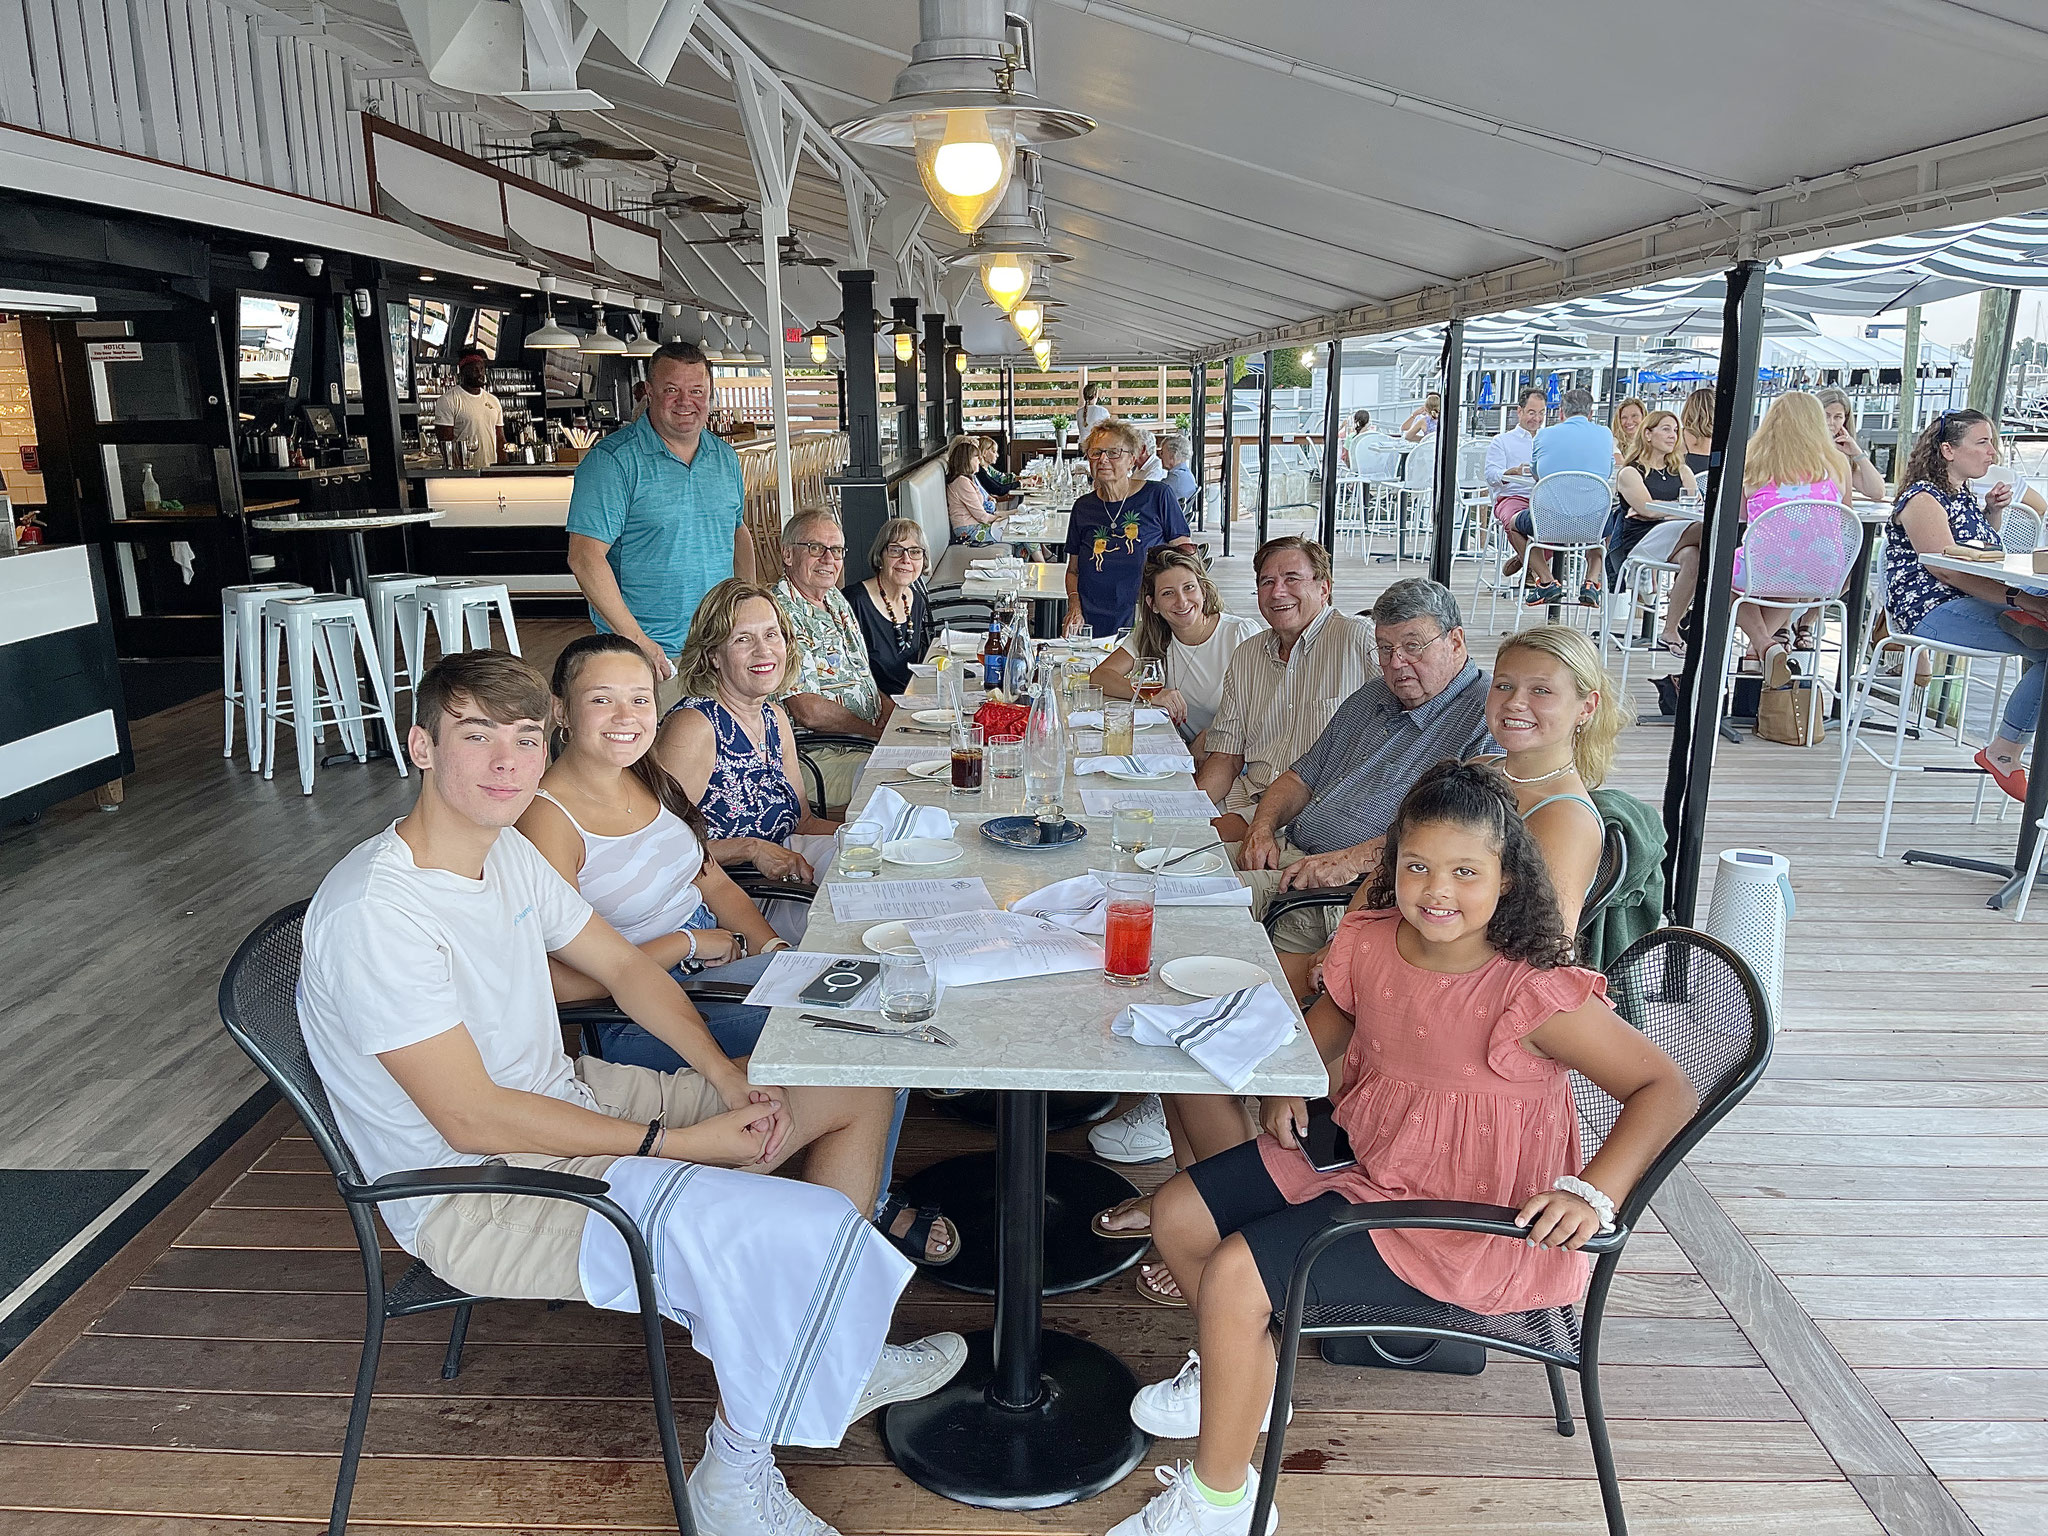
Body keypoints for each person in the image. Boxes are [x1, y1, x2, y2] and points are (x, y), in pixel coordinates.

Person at [296, 649, 966, 1536]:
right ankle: (736, 1472)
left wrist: (731, 1080)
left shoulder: (503, 854)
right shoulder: (377, 913)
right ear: (421, 746)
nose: (505, 761)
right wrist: (688, 1142)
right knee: (786, 1224)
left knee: (854, 1082)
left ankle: (820, 1335)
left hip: (576, 1104)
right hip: (478, 1188)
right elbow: (469, 1114)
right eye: (475, 736)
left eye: (524, 739)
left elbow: (621, 967)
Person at [1109, 761, 1696, 1536]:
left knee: (1233, 1274)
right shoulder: (1376, 939)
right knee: (1179, 1214)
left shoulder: (1528, 990)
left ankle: (1222, 1499)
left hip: (1464, 1215)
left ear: (1508, 882)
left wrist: (1592, 1189)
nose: (1436, 890)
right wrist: (1296, 1076)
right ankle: (1247, 1372)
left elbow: (1666, 1089)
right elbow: (1340, 1020)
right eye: (1416, 866)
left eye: (1464, 871)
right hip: (1368, 1151)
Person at [522, 633, 785, 1064]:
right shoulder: (547, 820)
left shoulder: (646, 773)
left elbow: (713, 883)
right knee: (865, 1024)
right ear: (560, 710)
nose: (626, 717)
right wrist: (685, 943)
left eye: (641, 700)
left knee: (859, 991)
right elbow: (558, 982)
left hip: (715, 967)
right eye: (602, 700)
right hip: (635, 1013)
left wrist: (775, 952)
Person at [1236, 578, 1494, 952]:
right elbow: (1300, 776)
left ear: (1455, 642)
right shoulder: (1376, 694)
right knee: (1171, 876)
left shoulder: (1484, 717)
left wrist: (1351, 860)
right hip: (1288, 852)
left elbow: (1455, 835)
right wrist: (1261, 827)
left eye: (1412, 646)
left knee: (1203, 919)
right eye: (1385, 649)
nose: (1396, 663)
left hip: (1350, 892)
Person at [568, 343, 756, 712]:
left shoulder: (725, 457)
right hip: (648, 657)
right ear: (649, 392)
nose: (686, 401)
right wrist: (637, 639)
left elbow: (738, 533)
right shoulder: (613, 462)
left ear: (710, 395)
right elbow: (585, 557)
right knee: (656, 764)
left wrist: (745, 607)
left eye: (697, 391)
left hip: (718, 646)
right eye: (672, 389)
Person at [1886, 408, 2048, 801]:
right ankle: (2004, 751)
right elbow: (1949, 571)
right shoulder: (1923, 499)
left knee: (2043, 628)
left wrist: (1991, 513)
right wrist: (2019, 596)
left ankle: (2030, 622)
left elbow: (1976, 552)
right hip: (1930, 611)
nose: (1993, 452)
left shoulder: (1960, 496)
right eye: (1983, 442)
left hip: (1971, 599)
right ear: (1948, 450)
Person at [658, 578, 841, 885]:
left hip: (787, 877)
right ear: (713, 655)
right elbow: (660, 849)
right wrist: (749, 849)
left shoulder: (774, 718)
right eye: (743, 639)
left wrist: (871, 836)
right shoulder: (695, 726)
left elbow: (803, 822)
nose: (763, 651)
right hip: (728, 897)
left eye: (772, 635)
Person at [1194, 537, 1375, 840]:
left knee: (1185, 862)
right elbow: (1226, 757)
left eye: (1292, 578)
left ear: (1324, 588)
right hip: (1245, 799)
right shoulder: (1248, 655)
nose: (1278, 592)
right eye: (1267, 582)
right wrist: (1189, 810)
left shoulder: (1359, 641)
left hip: (1315, 816)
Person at [1089, 547, 1263, 752]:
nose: (1182, 601)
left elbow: (1265, 710)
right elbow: (1100, 676)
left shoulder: (1239, 633)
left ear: (1203, 591)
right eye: (1168, 593)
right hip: (1181, 750)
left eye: (1189, 588)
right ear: (1152, 604)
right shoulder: (1151, 634)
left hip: (1237, 754)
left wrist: (1213, 737)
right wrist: (1152, 695)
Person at [1731, 391, 1852, 687]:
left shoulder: (1754, 463)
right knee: (1791, 576)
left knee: (1716, 574)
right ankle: (1758, 650)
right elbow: (1845, 516)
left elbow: (1740, 515)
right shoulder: (1837, 464)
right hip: (1822, 573)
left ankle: (1761, 643)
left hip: (1766, 565)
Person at [1063, 418, 1198, 637]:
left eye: (1114, 452)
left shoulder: (1157, 495)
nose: (1103, 459)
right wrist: (1075, 607)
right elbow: (1073, 570)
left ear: (1132, 460)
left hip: (1146, 616)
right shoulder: (1083, 507)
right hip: (1091, 618)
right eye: (1095, 453)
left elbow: (1183, 552)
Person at [773, 509, 890, 753]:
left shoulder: (834, 597)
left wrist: (893, 715)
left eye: (836, 550)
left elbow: (858, 676)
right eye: (815, 548)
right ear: (787, 554)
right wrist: (876, 735)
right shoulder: (779, 613)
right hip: (824, 752)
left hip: (865, 738)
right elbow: (807, 710)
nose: (828, 559)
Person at [1604, 408, 1701, 655]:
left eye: (1676, 430)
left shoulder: (1682, 471)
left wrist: (1663, 510)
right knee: (1705, 529)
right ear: (1648, 434)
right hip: (1642, 539)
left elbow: (1696, 507)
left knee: (1694, 557)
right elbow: (1647, 511)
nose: (1673, 436)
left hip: (1675, 534)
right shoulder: (1630, 472)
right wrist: (1673, 509)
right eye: (1666, 429)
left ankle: (1670, 629)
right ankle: (1713, 599)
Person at [1524, 387, 1614, 607]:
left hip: (1549, 522)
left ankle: (1546, 581)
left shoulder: (1544, 434)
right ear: (1590, 414)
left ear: (1562, 413)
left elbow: (1537, 473)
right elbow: (1608, 472)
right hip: (1592, 524)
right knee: (1611, 523)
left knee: (1515, 526)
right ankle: (1592, 580)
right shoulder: (1605, 434)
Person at [845, 517, 934, 698]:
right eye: (895, 550)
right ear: (880, 556)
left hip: (909, 701)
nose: (906, 559)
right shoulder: (855, 601)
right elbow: (850, 676)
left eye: (915, 552)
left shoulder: (916, 601)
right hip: (871, 707)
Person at [1485, 388, 1548, 576]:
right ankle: (1543, 576)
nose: (1537, 418)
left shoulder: (1549, 440)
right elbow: (1490, 474)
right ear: (1519, 411)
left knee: (1561, 525)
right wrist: (1510, 472)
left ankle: (1525, 560)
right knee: (1513, 520)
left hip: (1543, 498)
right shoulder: (1502, 441)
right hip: (1512, 495)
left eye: (1541, 413)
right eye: (1532, 412)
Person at [433, 348, 504, 467]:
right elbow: (445, 442)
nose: (480, 373)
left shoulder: (493, 401)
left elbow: (500, 438)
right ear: (463, 372)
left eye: (482, 369)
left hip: (491, 469)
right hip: (465, 470)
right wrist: (458, 471)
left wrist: (504, 468)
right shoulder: (448, 400)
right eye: (475, 370)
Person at [945, 437, 1001, 544]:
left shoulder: (968, 479)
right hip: (969, 532)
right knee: (1018, 536)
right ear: (967, 460)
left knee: (1020, 537)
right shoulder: (962, 482)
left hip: (976, 526)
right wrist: (1005, 518)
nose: (980, 461)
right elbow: (983, 517)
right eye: (977, 458)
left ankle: (1039, 559)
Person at [1158, 432, 1199, 504]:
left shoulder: (1176, 477)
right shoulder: (1186, 473)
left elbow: (1154, 495)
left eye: (1162, 452)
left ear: (1173, 455)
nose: (1160, 456)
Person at [1611, 396, 1647, 464]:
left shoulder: (1652, 443)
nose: (1629, 421)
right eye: (1624, 417)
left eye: (1634, 416)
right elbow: (1619, 464)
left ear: (1644, 417)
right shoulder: (1613, 442)